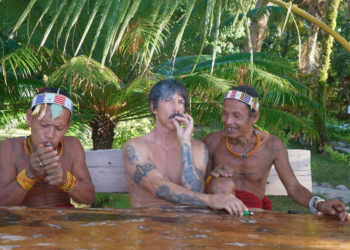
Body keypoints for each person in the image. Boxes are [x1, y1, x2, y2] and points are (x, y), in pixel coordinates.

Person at [204, 85, 349, 221]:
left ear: (254, 117)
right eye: (224, 114)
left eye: (236, 115)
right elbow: (198, 187)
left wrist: (320, 204)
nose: (228, 121)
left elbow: (294, 188)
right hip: (220, 215)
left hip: (254, 216)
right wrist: (212, 177)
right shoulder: (212, 142)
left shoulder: (272, 146)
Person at [123, 79, 248, 215]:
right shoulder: (136, 147)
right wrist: (210, 200)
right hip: (147, 226)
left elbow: (193, 192)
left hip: (186, 228)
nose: (176, 108)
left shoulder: (198, 148)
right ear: (154, 107)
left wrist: (185, 144)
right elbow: (157, 187)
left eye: (181, 102)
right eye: (169, 100)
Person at [0, 88, 95, 207]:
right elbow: (2, 203)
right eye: (44, 125)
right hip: (24, 221)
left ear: (67, 126)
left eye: (59, 128)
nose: (50, 135)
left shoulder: (72, 146)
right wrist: (29, 174)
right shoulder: (11, 148)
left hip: (63, 221)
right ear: (30, 118)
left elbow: (88, 198)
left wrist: (65, 179)